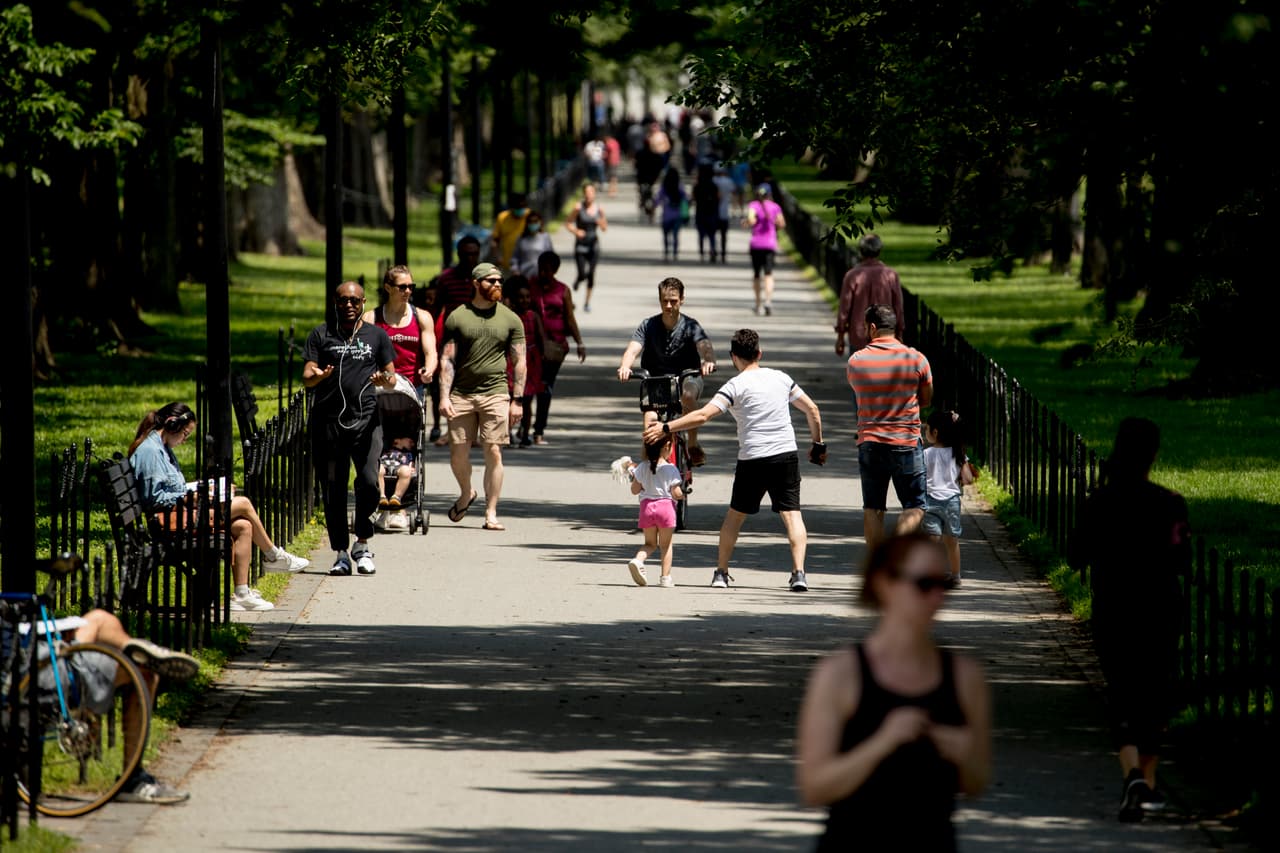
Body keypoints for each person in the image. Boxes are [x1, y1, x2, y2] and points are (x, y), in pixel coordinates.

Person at [796, 533, 992, 850]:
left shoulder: (965, 677)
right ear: (884, 583)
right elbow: (815, 787)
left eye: (943, 585)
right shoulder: (840, 674)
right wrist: (884, 742)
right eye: (923, 585)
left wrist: (962, 754)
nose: (936, 598)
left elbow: (977, 781)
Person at [643, 328, 824, 592]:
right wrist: (818, 445)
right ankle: (799, 574)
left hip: (752, 458)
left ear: (733, 357)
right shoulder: (781, 378)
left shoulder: (735, 385)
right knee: (792, 515)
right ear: (759, 353)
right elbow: (812, 410)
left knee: (734, 517)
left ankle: (721, 573)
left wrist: (667, 427)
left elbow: (703, 415)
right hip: (785, 456)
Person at [1074, 417, 1190, 822]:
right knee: (1155, 693)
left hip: (1114, 607)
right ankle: (1150, 780)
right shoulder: (1171, 502)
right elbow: (1182, 560)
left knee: (1121, 690)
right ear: (1154, 455)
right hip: (1160, 607)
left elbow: (1076, 555)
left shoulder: (1098, 501)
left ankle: (1133, 775)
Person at [128, 402, 309, 612]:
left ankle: (241, 594)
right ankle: (273, 556)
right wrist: (192, 497)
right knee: (243, 504)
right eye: (185, 434)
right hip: (168, 522)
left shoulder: (162, 448)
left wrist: (207, 489)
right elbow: (154, 498)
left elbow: (173, 488)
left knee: (243, 526)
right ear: (172, 425)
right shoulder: (151, 452)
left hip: (180, 514)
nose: (184, 439)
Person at [302, 281, 398, 576]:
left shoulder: (376, 336)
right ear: (335, 302)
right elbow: (307, 375)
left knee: (369, 483)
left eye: (354, 301)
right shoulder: (321, 334)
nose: (348, 306)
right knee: (333, 490)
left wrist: (385, 380)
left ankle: (363, 542)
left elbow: (392, 377)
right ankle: (342, 553)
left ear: (363, 303)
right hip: (328, 423)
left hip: (367, 420)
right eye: (343, 300)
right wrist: (317, 376)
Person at [60, 609, 202, 803]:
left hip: (44, 647)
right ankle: (132, 778)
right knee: (144, 675)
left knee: (99, 618)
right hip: (47, 667)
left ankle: (134, 648)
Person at [439, 262, 526, 531]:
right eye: (491, 281)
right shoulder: (458, 316)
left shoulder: (511, 318)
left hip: (496, 393)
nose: (498, 285)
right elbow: (447, 359)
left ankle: (491, 512)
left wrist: (517, 400)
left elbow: (520, 360)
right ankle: (467, 493)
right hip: (462, 394)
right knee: (458, 454)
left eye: (500, 281)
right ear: (476, 284)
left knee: (494, 451)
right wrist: (443, 396)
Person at [846, 303, 933, 554]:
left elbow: (860, 395)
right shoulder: (917, 359)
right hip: (906, 441)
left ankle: (877, 562)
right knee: (915, 505)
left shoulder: (857, 361)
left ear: (872, 328)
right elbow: (926, 399)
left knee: (873, 507)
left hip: (870, 442)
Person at [617, 277, 717, 466]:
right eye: (665, 301)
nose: (669, 305)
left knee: (688, 396)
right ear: (660, 300)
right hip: (657, 380)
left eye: (674, 301)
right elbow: (633, 349)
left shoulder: (690, 325)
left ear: (682, 299)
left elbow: (705, 345)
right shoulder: (648, 325)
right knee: (650, 417)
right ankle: (649, 466)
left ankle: (693, 445)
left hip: (688, 375)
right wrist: (625, 366)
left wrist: (708, 361)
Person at [529, 251, 586, 445]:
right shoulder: (530, 286)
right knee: (528, 387)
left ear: (555, 270)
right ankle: (522, 427)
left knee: (545, 387)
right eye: (541, 268)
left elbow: (570, 318)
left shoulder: (562, 290)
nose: (543, 273)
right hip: (532, 345)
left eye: (547, 269)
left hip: (555, 348)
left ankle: (539, 430)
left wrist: (579, 342)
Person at [363, 264, 437, 400]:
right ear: (388, 288)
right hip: (381, 387)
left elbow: (430, 352)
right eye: (402, 287)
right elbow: (365, 356)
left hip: (413, 387)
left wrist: (429, 369)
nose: (408, 291)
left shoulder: (422, 317)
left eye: (411, 287)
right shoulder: (371, 318)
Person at [622, 435, 686, 588]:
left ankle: (638, 560)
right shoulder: (671, 468)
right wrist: (682, 495)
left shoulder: (642, 467)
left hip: (647, 509)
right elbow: (676, 492)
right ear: (667, 447)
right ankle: (665, 578)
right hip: (666, 509)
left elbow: (634, 490)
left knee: (650, 543)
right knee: (666, 545)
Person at [922, 410, 974, 583]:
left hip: (930, 500)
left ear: (935, 433)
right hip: (952, 502)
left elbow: (919, 476)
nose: (925, 431)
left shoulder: (926, 454)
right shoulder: (958, 454)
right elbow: (968, 479)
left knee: (932, 539)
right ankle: (955, 575)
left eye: (927, 428)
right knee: (952, 540)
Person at [835, 234, 904, 356]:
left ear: (861, 251)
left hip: (859, 335)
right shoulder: (890, 275)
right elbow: (898, 307)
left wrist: (840, 336)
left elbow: (844, 309)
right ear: (879, 250)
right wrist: (899, 333)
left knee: (858, 372)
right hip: (885, 336)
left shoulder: (852, 275)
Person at [504, 276, 546, 447]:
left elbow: (541, 338)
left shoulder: (533, 316)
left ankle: (525, 434)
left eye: (528, 297)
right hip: (512, 362)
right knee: (510, 399)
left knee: (527, 401)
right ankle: (508, 433)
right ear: (513, 300)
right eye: (521, 297)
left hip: (531, 363)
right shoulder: (510, 317)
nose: (525, 300)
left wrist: (543, 358)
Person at [565, 182, 608, 311]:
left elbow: (604, 228)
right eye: (587, 192)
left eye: (591, 192)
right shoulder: (578, 208)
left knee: (591, 274)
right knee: (582, 272)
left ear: (594, 194)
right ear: (584, 194)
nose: (589, 195)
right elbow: (568, 223)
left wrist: (601, 222)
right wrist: (576, 231)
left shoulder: (599, 209)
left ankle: (587, 302)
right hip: (581, 245)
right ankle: (579, 279)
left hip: (593, 244)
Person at [745, 183, 785, 316]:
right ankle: (768, 301)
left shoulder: (753, 206)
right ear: (769, 194)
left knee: (757, 274)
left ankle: (758, 304)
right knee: (768, 274)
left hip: (756, 244)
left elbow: (750, 220)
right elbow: (781, 223)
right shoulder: (775, 207)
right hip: (770, 244)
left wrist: (747, 222)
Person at [488, 193, 531, 271]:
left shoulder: (530, 216)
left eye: (523, 206)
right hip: (507, 265)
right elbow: (495, 240)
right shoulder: (502, 218)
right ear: (511, 207)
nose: (521, 209)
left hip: (527, 265)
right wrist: (497, 258)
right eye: (518, 207)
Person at [654, 168, 688, 262]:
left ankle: (666, 252)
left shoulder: (664, 187)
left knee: (666, 236)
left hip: (666, 216)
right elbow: (685, 200)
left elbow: (657, 201)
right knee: (675, 236)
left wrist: (653, 207)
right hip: (677, 216)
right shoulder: (680, 187)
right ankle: (675, 253)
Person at [692, 162, 722, 263]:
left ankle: (702, 253)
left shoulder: (697, 186)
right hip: (712, 212)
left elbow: (693, 198)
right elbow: (719, 198)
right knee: (712, 235)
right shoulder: (714, 186)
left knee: (701, 235)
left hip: (700, 212)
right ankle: (712, 250)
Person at [377, 435, 417, 509]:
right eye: (410, 441)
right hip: (385, 465)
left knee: (406, 471)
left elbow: (411, 463)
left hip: (400, 466)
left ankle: (396, 496)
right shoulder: (385, 450)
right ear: (397, 441)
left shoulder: (408, 454)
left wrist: (411, 468)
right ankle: (382, 496)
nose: (412, 444)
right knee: (379, 469)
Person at [510, 210, 552, 279]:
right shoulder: (521, 238)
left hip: (541, 277)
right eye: (530, 222)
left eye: (535, 221)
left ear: (540, 222)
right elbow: (515, 258)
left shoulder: (545, 237)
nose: (533, 224)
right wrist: (515, 270)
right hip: (524, 276)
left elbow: (551, 257)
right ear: (527, 223)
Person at [603, 131, 622, 197]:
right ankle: (614, 190)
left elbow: (606, 153)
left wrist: (604, 158)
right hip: (616, 161)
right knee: (614, 177)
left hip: (611, 161)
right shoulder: (615, 142)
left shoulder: (608, 143)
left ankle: (611, 191)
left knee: (611, 177)